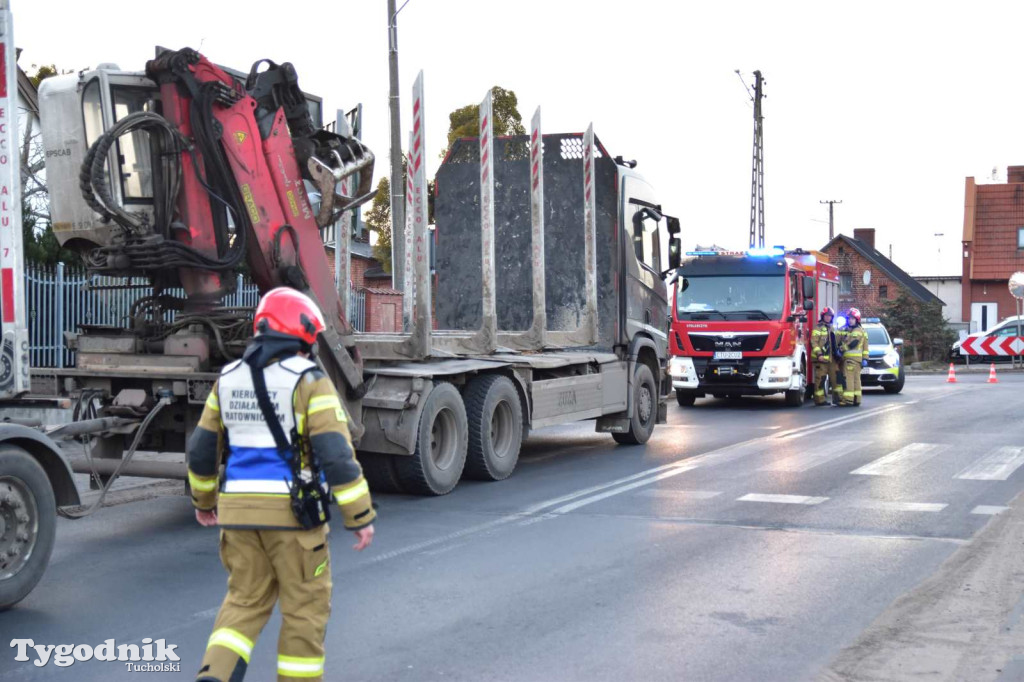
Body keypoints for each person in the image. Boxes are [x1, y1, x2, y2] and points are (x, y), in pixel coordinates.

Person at [187, 287, 376, 682]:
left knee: (242, 603)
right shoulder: (309, 381)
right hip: (294, 519)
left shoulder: (228, 379)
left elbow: (202, 449)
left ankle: (213, 676)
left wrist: (204, 501)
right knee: (305, 610)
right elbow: (335, 454)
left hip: (237, 517)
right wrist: (358, 516)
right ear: (302, 335)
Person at [838, 307, 868, 407]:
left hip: (851, 359)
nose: (850, 320)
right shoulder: (861, 330)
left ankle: (848, 399)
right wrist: (865, 359)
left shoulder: (856, 331)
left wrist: (841, 349)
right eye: (849, 319)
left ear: (857, 320)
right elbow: (865, 347)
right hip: (857, 360)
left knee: (849, 379)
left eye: (852, 319)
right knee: (856, 379)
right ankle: (856, 398)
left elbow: (852, 343)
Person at [811, 306, 838, 406]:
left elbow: (835, 342)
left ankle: (837, 399)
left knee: (836, 379)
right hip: (821, 360)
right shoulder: (818, 328)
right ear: (823, 316)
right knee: (820, 380)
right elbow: (814, 342)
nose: (828, 318)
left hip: (832, 359)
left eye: (830, 316)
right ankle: (819, 400)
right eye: (826, 316)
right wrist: (819, 354)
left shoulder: (832, 328)